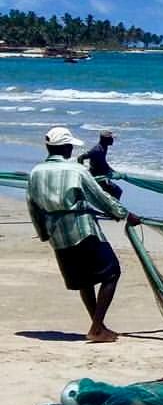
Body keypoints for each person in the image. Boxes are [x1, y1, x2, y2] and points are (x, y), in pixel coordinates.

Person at [26, 127, 140, 343]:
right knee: (112, 273)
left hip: (57, 234)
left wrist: (43, 233)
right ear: (68, 148)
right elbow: (99, 197)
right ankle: (97, 328)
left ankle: (99, 327)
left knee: (85, 281)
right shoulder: (76, 171)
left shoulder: (35, 172)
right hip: (83, 230)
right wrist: (124, 214)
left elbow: (33, 207)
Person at [77, 129, 122, 198]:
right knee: (116, 191)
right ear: (106, 140)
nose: (113, 140)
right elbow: (80, 158)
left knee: (115, 192)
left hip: (103, 176)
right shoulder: (97, 150)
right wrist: (83, 172)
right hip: (97, 177)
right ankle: (109, 208)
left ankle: (108, 207)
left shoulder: (104, 147)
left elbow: (103, 163)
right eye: (111, 138)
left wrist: (114, 172)